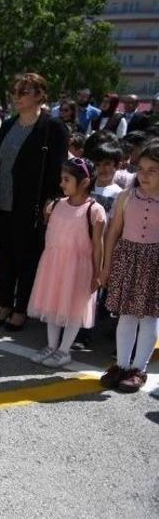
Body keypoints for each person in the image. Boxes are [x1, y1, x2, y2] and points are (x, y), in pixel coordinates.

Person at [0, 73, 69, 332]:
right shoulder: (8, 124)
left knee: (26, 259)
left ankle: (21, 309)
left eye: (23, 91)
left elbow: (57, 170)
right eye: (15, 90)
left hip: (32, 205)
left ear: (40, 95)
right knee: (5, 257)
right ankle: (4, 305)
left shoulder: (52, 128)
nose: (17, 95)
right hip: (3, 202)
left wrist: (51, 200)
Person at [25, 157, 107, 368]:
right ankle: (52, 346)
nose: (61, 184)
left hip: (79, 267)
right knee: (53, 302)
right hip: (54, 263)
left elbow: (98, 246)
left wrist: (98, 272)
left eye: (66, 179)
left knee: (73, 308)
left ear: (85, 182)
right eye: (62, 179)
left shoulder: (94, 211)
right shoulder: (56, 205)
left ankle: (64, 350)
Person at [98, 140, 159, 392]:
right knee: (126, 314)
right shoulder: (126, 196)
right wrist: (106, 267)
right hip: (128, 259)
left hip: (154, 263)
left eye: (152, 170)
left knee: (149, 317)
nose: (143, 175)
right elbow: (112, 234)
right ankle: (121, 365)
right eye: (141, 168)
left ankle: (138, 368)